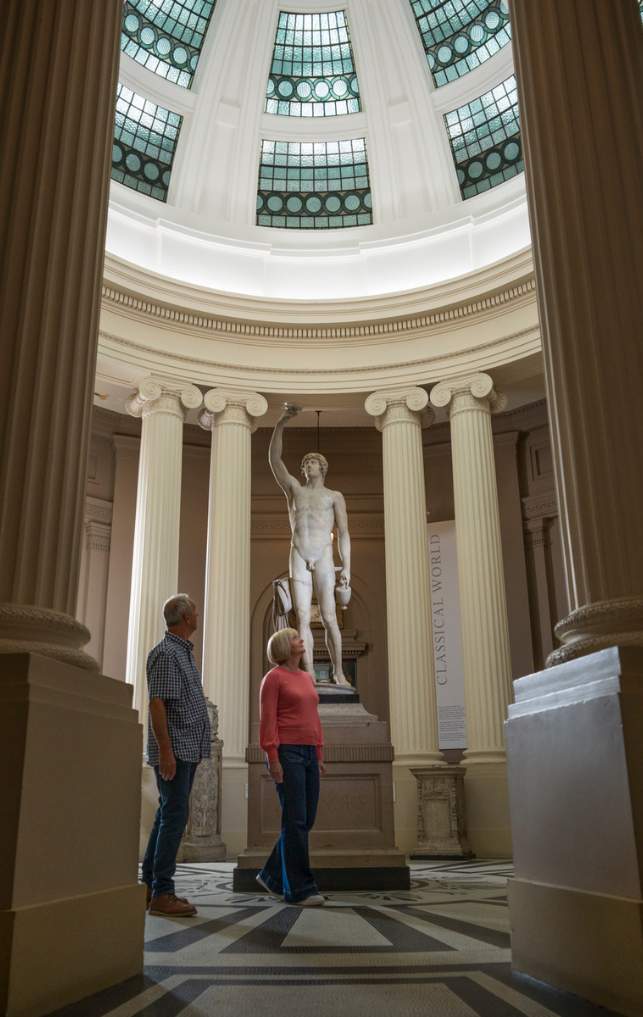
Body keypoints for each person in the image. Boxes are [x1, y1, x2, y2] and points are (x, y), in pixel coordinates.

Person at [269, 404, 352, 685]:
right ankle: (307, 675)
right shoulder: (295, 490)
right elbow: (275, 460)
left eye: (312, 462)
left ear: (323, 467)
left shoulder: (334, 496)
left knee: (329, 616)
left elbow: (344, 533)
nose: (307, 466)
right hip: (299, 554)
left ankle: (338, 671)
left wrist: (348, 569)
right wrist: (281, 423)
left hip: (324, 556)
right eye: (304, 463)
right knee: (302, 618)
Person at [142, 594, 211, 917]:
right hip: (176, 749)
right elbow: (158, 704)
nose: (197, 614)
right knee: (174, 817)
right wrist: (166, 752)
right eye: (194, 611)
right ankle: (162, 893)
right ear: (185, 618)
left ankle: (149, 886)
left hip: (187, 748)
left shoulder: (182, 653)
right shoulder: (168, 653)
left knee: (167, 814)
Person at [257, 627, 326, 906]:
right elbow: (267, 721)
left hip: (309, 753)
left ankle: (272, 876)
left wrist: (319, 753)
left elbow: (314, 717)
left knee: (304, 820)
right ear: (286, 646)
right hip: (287, 752)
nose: (301, 640)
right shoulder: (273, 679)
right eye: (297, 637)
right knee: (295, 820)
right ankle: (300, 890)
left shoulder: (307, 678)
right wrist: (272, 757)